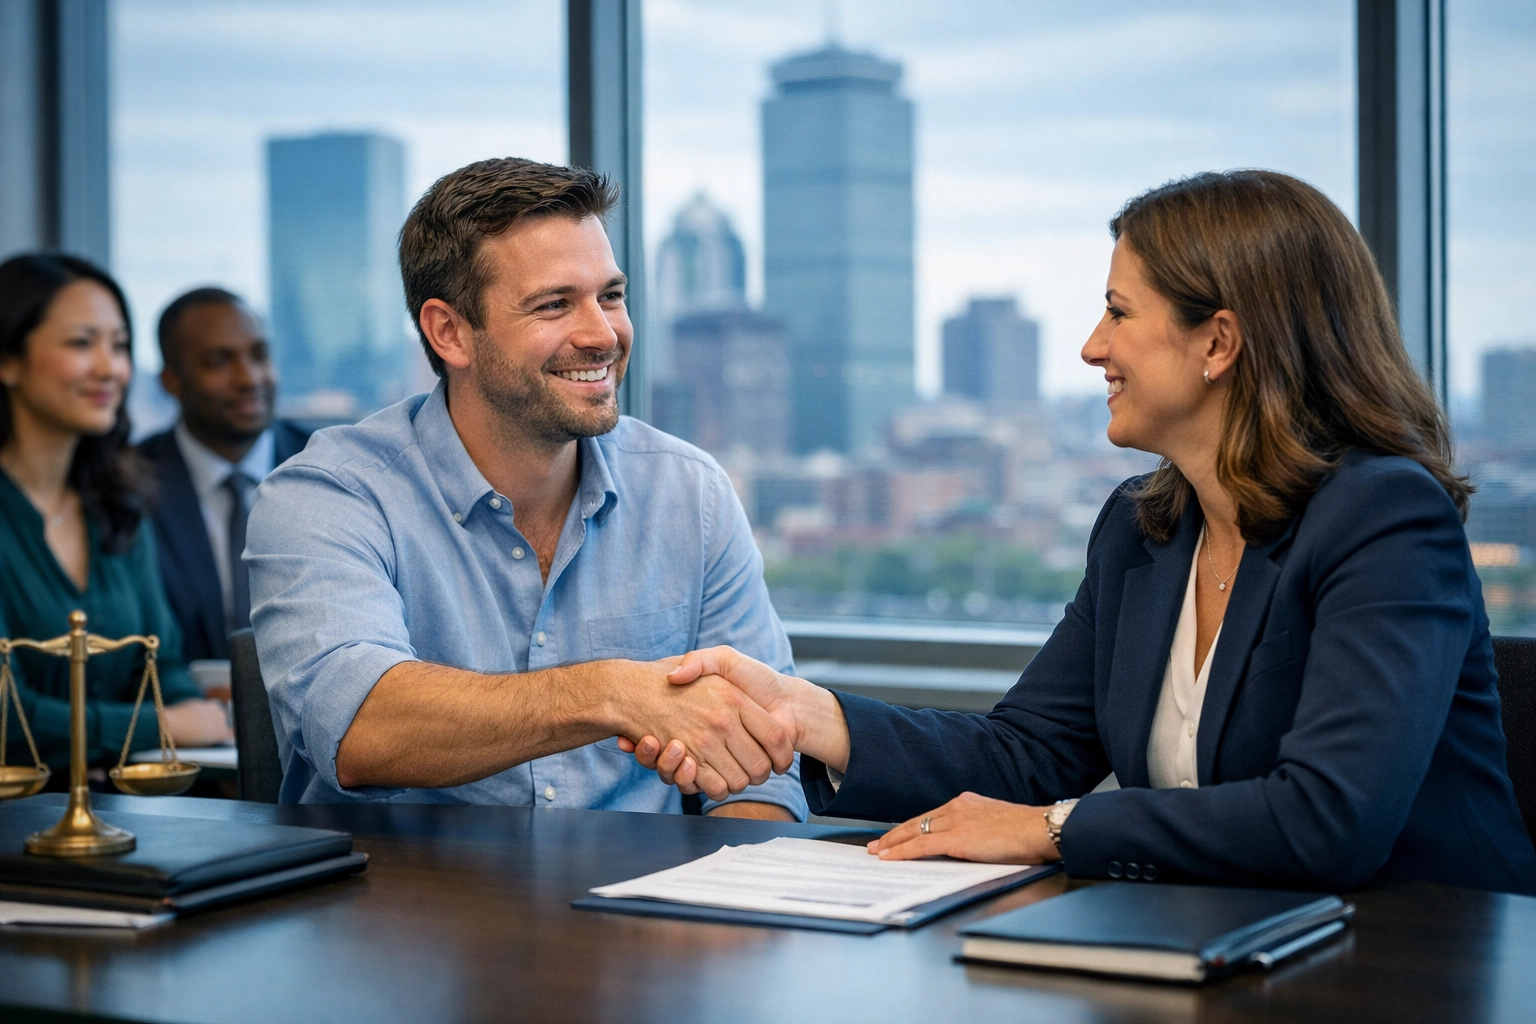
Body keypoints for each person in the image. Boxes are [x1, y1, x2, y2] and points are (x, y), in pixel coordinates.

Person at [630, 170, 1536, 895]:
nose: (1092, 347)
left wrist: (1051, 831)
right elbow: (1024, 756)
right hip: (1215, 949)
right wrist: (805, 715)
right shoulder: (1143, 529)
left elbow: (1329, 820)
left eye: (1119, 311)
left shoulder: (1384, 518)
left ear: (1218, 343)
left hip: (1415, 961)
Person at [247, 157, 802, 818]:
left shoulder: (690, 492)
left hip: (641, 885)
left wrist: (732, 879)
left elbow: (766, 767)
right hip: (394, 884)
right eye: (554, 305)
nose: (603, 334)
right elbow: (358, 727)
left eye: (611, 296)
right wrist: (612, 693)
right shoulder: (329, 495)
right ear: (449, 332)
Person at [0, 254, 233, 770]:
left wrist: (201, 716)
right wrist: (165, 724)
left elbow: (162, 663)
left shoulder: (118, 500)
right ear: (9, 360)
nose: (111, 368)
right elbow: (7, 721)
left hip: (125, 805)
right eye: (82, 343)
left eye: (120, 345)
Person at [139, 288, 310, 662]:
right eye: (219, 361)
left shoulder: (327, 468)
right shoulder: (129, 482)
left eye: (259, 355)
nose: (249, 378)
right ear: (171, 381)